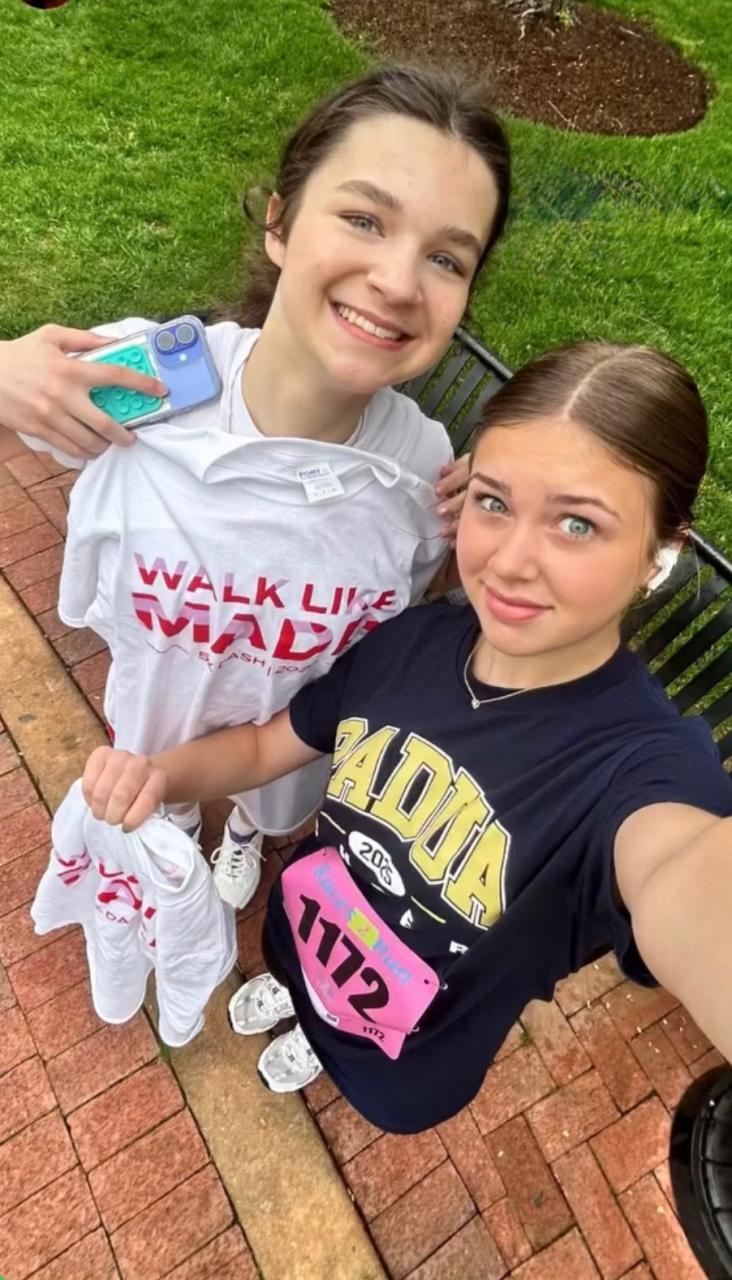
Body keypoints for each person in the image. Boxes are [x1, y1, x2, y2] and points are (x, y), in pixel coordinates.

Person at [81, 338, 732, 1133]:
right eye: (495, 503)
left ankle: (322, 1045)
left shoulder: (642, 771)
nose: (510, 563)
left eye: (576, 523)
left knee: (352, 1058)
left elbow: (687, 881)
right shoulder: (410, 644)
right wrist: (158, 775)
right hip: (301, 932)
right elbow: (262, 749)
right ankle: (300, 1000)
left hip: (405, 1057)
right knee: (297, 978)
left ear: (661, 553)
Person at [1, 65, 510, 908]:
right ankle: (184, 829)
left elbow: (426, 616)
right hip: (156, 714)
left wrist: (498, 517)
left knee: (265, 804)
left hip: (285, 748)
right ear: (279, 222)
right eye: (363, 219)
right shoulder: (145, 382)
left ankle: (243, 833)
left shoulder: (425, 465)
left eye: (446, 257)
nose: (397, 281)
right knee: (158, 797)